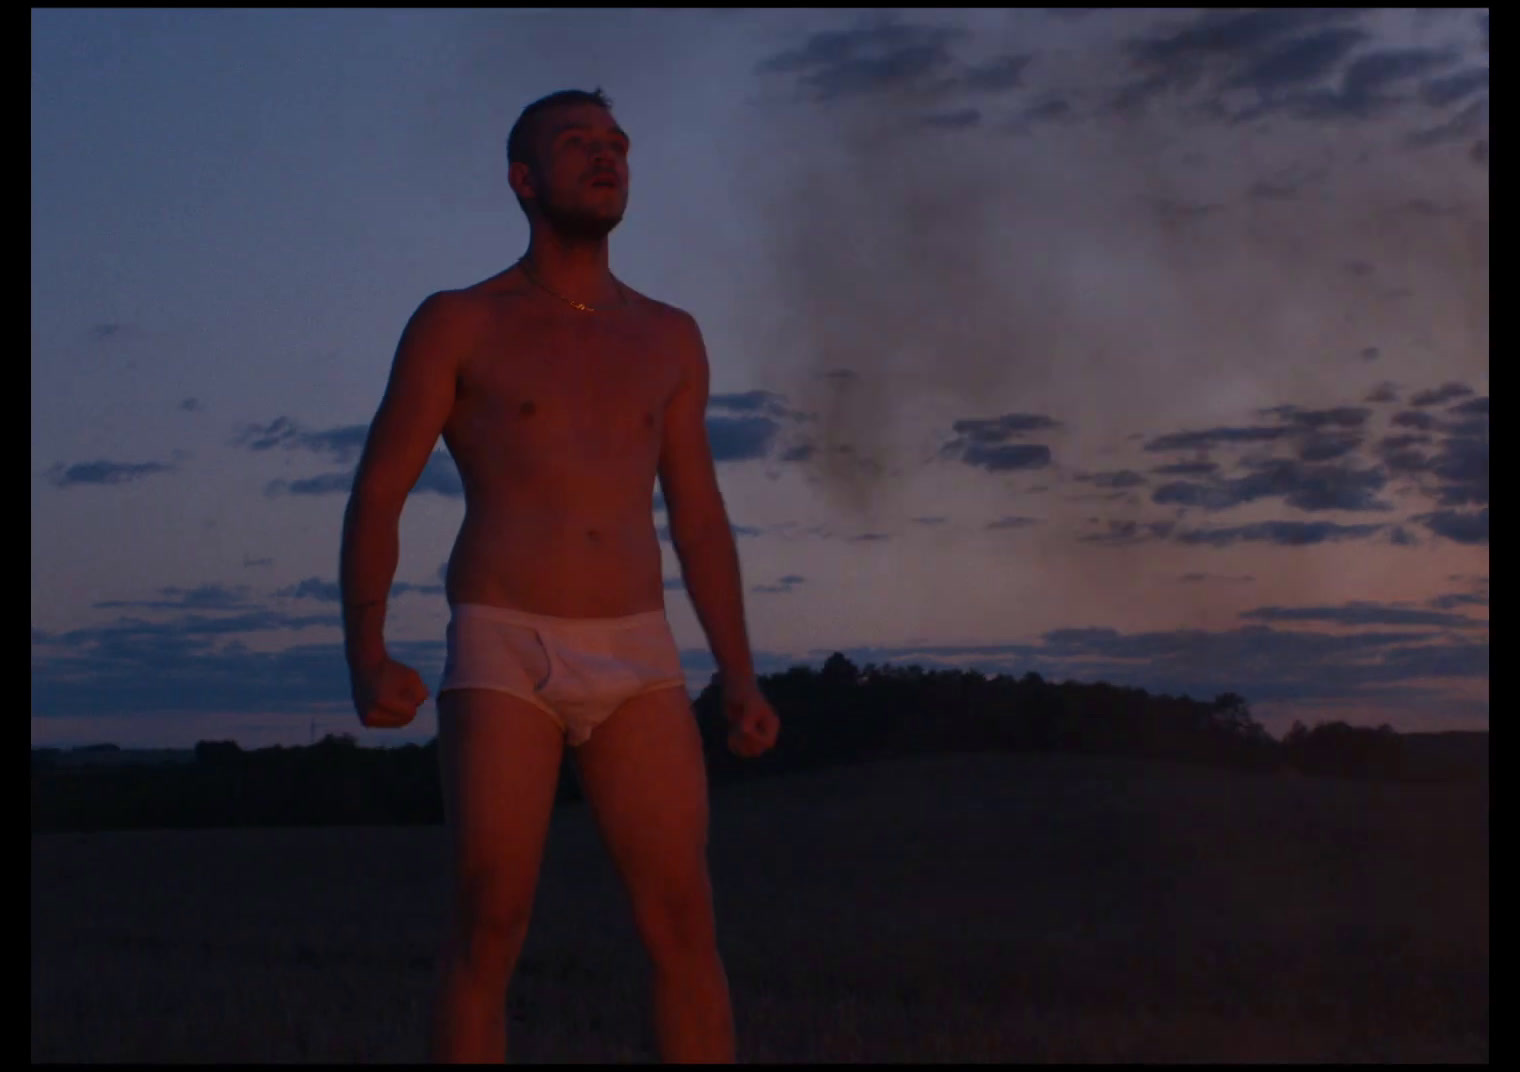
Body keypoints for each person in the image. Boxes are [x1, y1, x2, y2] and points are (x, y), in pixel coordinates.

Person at [338, 87, 780, 1063]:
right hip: (504, 640)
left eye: (616, 142)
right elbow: (378, 491)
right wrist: (365, 651)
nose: (605, 154)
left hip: (636, 648)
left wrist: (738, 674)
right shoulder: (460, 320)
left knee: (683, 926)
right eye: (576, 142)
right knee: (489, 923)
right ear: (523, 179)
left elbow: (696, 516)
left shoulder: (669, 336)